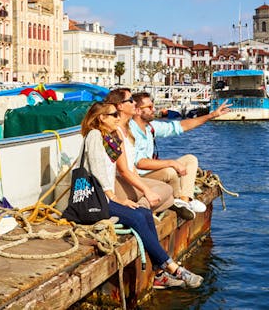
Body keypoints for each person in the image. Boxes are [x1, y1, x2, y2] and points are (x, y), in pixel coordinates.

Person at [78, 102, 203, 289]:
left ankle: (159, 274)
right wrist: (116, 198)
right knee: (137, 216)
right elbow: (97, 172)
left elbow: (118, 167)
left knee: (143, 213)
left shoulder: (108, 138)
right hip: (93, 199)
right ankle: (174, 269)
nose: (117, 118)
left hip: (103, 197)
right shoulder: (95, 135)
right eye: (113, 115)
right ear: (101, 118)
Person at [130, 92, 232, 215]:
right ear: (137, 110)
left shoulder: (149, 127)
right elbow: (139, 163)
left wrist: (211, 115)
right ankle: (178, 200)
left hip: (151, 173)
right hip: (139, 178)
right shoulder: (130, 131)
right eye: (149, 107)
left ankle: (184, 200)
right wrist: (171, 163)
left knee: (190, 159)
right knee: (170, 171)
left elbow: (179, 126)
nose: (154, 110)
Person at [103, 88, 184, 218]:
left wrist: (142, 184)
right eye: (130, 101)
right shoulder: (116, 131)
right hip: (118, 183)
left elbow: (131, 166)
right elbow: (123, 170)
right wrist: (146, 189)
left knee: (169, 199)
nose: (134, 103)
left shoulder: (127, 129)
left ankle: (142, 209)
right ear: (120, 106)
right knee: (166, 190)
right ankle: (138, 212)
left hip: (129, 179)